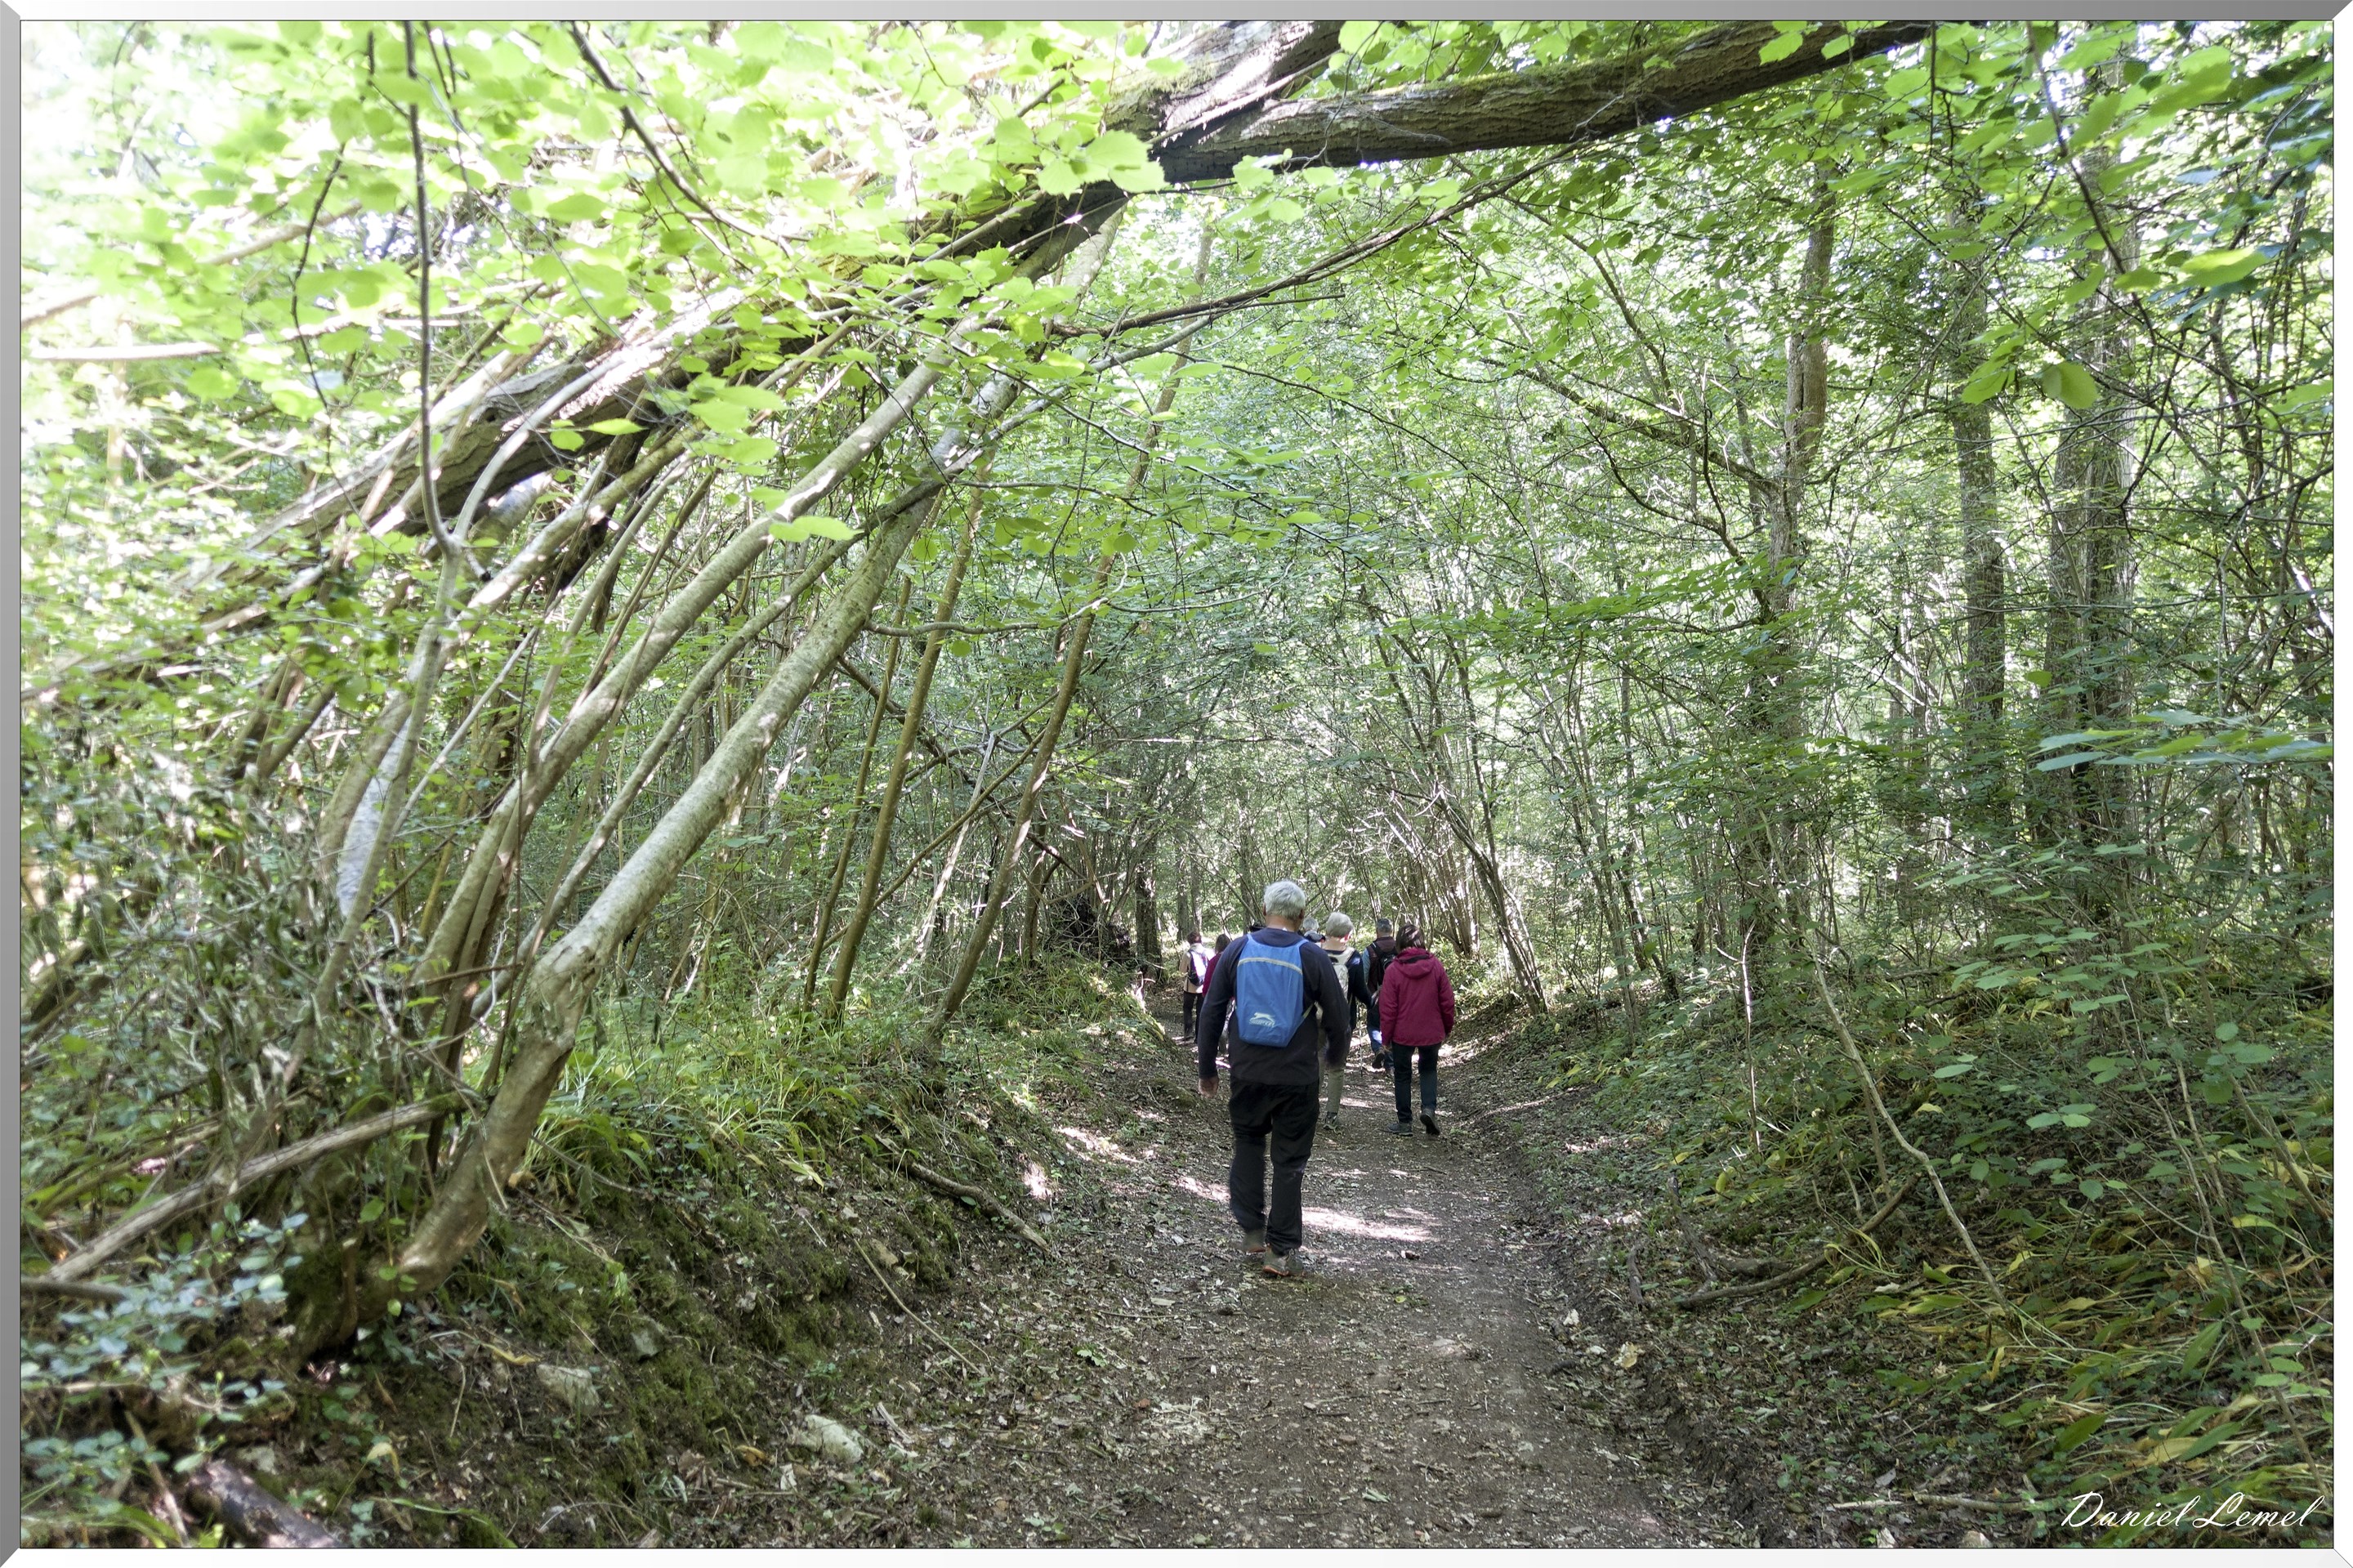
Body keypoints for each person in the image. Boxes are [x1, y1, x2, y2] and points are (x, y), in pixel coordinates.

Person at [1196, 879, 1350, 1277]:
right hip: (1297, 1078)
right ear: (1301, 917)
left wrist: (1208, 1069)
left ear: (1266, 911)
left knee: (1248, 1142)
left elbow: (1211, 1011)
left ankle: (1251, 1228)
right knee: (1290, 1162)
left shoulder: (1238, 950)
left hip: (1247, 1072)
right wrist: (1333, 1060)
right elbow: (1338, 1019)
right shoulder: (1312, 957)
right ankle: (1279, 1251)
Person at [1378, 922, 1456, 1138]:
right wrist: (1447, 1026)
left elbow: (1388, 1009)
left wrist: (1386, 1038)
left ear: (1400, 944)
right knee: (1428, 1070)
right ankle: (1428, 1110)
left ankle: (1404, 1123)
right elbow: (1447, 1001)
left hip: (1403, 1033)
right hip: (1431, 1031)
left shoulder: (1393, 970)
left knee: (1402, 1075)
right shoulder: (1436, 966)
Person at [1317, 913, 1360, 1129]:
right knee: (1336, 1067)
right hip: (1342, 1020)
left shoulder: (1313, 953)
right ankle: (1331, 1116)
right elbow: (1360, 991)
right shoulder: (1354, 958)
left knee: (1316, 1061)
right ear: (1348, 935)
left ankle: (1310, 1109)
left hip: (1315, 1018)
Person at [1361, 918, 1400, 1070]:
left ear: (1377, 931)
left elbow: (1363, 976)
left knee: (1373, 1026)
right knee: (1393, 1028)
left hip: (1375, 997)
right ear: (1391, 930)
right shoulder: (1400, 948)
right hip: (1398, 997)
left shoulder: (1370, 950)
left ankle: (1378, 1048)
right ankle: (1391, 1065)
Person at [1179, 930, 1214, 1037]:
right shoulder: (1209, 952)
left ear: (1189, 942)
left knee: (1187, 1008)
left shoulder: (1188, 954)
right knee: (1201, 1011)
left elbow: (1182, 970)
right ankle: (1199, 1035)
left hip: (1190, 987)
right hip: (1205, 986)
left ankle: (1188, 1032)